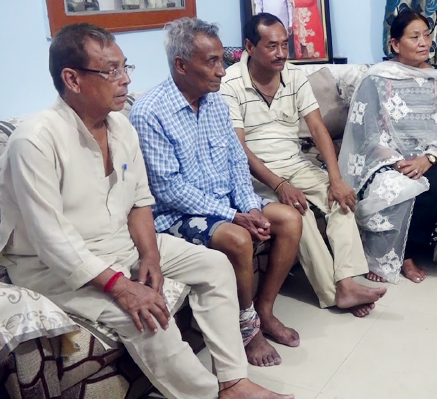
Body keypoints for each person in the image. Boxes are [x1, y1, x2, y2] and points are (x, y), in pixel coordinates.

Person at [0, 23, 292, 399]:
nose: (125, 80)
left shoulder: (121, 127)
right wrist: (122, 287)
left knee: (215, 265)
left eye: (125, 67)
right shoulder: (35, 142)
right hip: (55, 268)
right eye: (111, 70)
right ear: (72, 79)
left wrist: (151, 255)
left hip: (119, 244)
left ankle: (234, 381)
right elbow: (51, 239)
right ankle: (205, 394)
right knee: (147, 314)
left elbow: (140, 201)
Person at [130, 18, 302, 368]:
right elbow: (168, 189)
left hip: (225, 203)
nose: (222, 70)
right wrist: (233, 216)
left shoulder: (215, 103)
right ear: (181, 65)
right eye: (211, 62)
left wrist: (250, 207)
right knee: (238, 239)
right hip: (176, 215)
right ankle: (247, 330)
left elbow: (237, 162)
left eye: (222, 60)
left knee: (289, 219)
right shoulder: (149, 113)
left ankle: (265, 310)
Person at [220, 13, 386, 318]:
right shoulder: (229, 83)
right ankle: (333, 294)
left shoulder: (294, 76)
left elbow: (318, 128)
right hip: (257, 175)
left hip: (296, 165)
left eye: (285, 45)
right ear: (250, 47)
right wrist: (280, 185)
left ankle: (347, 282)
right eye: (272, 46)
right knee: (300, 214)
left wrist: (336, 179)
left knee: (341, 200)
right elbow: (238, 149)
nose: (281, 53)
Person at [338, 11, 437, 285]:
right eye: (414, 37)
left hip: (428, 157)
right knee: (393, 187)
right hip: (384, 157)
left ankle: (409, 252)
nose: (423, 42)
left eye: (427, 35)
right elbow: (365, 130)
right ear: (395, 44)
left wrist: (428, 158)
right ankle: (389, 255)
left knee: (434, 190)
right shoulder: (376, 79)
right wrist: (393, 160)